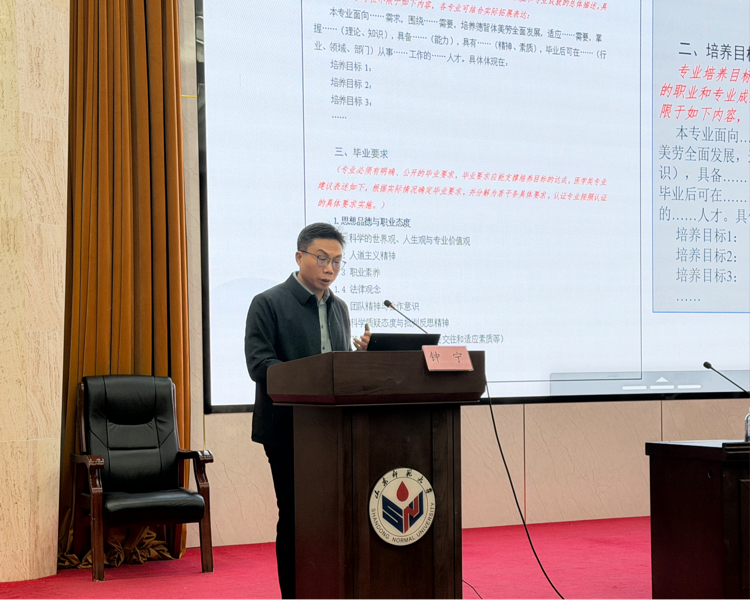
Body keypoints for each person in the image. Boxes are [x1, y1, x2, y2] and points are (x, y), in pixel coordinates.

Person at [244, 222, 370, 599]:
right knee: (297, 518)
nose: (330, 268)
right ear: (300, 257)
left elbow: (338, 370)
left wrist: (363, 358)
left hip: (335, 431)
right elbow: (259, 364)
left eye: (337, 261)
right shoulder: (267, 303)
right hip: (288, 431)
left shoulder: (339, 307)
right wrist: (312, 374)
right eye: (322, 258)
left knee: (334, 517)